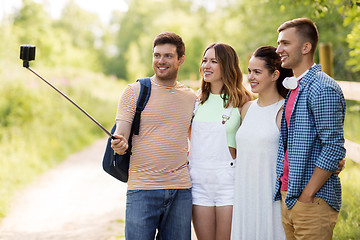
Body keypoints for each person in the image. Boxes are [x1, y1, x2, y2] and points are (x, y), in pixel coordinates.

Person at [111, 32, 197, 240]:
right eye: (157, 55)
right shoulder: (134, 91)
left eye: (168, 56)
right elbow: (121, 133)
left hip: (180, 191)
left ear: (180, 59)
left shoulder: (191, 97)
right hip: (142, 190)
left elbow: (196, 141)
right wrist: (119, 144)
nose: (161, 61)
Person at [273, 18, 346, 240]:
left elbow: (333, 148)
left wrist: (307, 194)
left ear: (306, 47)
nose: (279, 50)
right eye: (278, 43)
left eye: (285, 43)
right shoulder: (296, 86)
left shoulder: (323, 88)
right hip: (289, 195)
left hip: (313, 200)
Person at [189, 42, 252, 240]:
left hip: (228, 183)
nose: (206, 66)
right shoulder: (195, 101)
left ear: (227, 65)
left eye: (214, 61)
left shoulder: (243, 102)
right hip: (198, 182)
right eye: (204, 60)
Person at [231, 46, 293, 240]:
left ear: (275, 75)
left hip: (270, 197)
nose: (251, 77)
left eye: (257, 72)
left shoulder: (284, 110)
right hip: (244, 193)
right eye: (249, 71)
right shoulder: (246, 109)